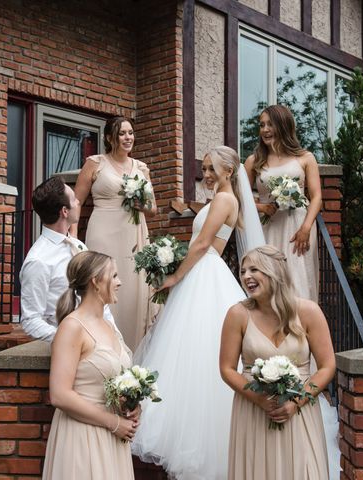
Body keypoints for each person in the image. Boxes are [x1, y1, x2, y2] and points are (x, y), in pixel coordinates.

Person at [132, 146, 263, 480]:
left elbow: (203, 245)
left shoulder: (224, 200)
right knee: (187, 354)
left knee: (197, 354)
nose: (204, 175)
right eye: (203, 168)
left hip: (205, 276)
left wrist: (175, 274)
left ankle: (200, 448)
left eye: (210, 169)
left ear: (229, 172)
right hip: (203, 274)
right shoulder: (219, 198)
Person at [220, 245, 336, 480]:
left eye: (254, 269)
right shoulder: (237, 314)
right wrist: (260, 400)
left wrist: (296, 401)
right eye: (243, 271)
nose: (246, 277)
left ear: (274, 271)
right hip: (253, 410)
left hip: (300, 410)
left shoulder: (308, 312)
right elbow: (227, 369)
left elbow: (327, 366)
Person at [42, 251, 138, 480]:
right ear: (96, 281)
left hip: (113, 439)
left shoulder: (110, 327)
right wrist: (113, 423)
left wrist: (133, 405)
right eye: (114, 276)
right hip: (82, 437)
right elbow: (59, 395)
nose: (119, 282)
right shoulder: (72, 327)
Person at [73, 116, 157, 351]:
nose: (128, 138)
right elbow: (76, 202)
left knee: (131, 294)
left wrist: (140, 203)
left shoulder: (141, 168)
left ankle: (131, 352)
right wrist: (71, 239)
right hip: (104, 234)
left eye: (130, 133)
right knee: (101, 286)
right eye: (122, 133)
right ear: (110, 138)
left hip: (134, 236)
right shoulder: (95, 163)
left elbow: (153, 208)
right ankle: (100, 348)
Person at [19, 176, 114, 341]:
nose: (78, 202)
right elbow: (31, 320)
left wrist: (114, 334)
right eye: (74, 199)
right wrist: (71, 339)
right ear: (64, 211)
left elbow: (97, 296)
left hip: (100, 339)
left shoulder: (79, 247)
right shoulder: (38, 261)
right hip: (70, 350)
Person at [244, 104, 322, 302]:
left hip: (297, 227)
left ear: (283, 125)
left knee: (298, 280)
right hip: (267, 228)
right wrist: (262, 207)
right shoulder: (254, 161)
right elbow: (239, 197)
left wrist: (306, 228)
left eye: (270, 124)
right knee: (269, 280)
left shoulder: (305, 158)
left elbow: (316, 197)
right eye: (262, 125)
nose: (265, 130)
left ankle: (301, 329)